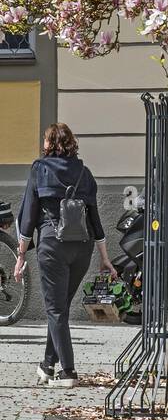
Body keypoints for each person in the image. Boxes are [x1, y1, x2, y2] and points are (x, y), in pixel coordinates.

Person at [13, 123, 116, 388]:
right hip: (83, 249)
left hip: (52, 247)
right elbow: (95, 220)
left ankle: (68, 372)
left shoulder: (40, 169)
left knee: (56, 309)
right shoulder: (84, 172)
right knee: (60, 309)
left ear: (48, 144)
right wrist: (104, 257)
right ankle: (48, 365)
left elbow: (28, 216)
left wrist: (21, 255)